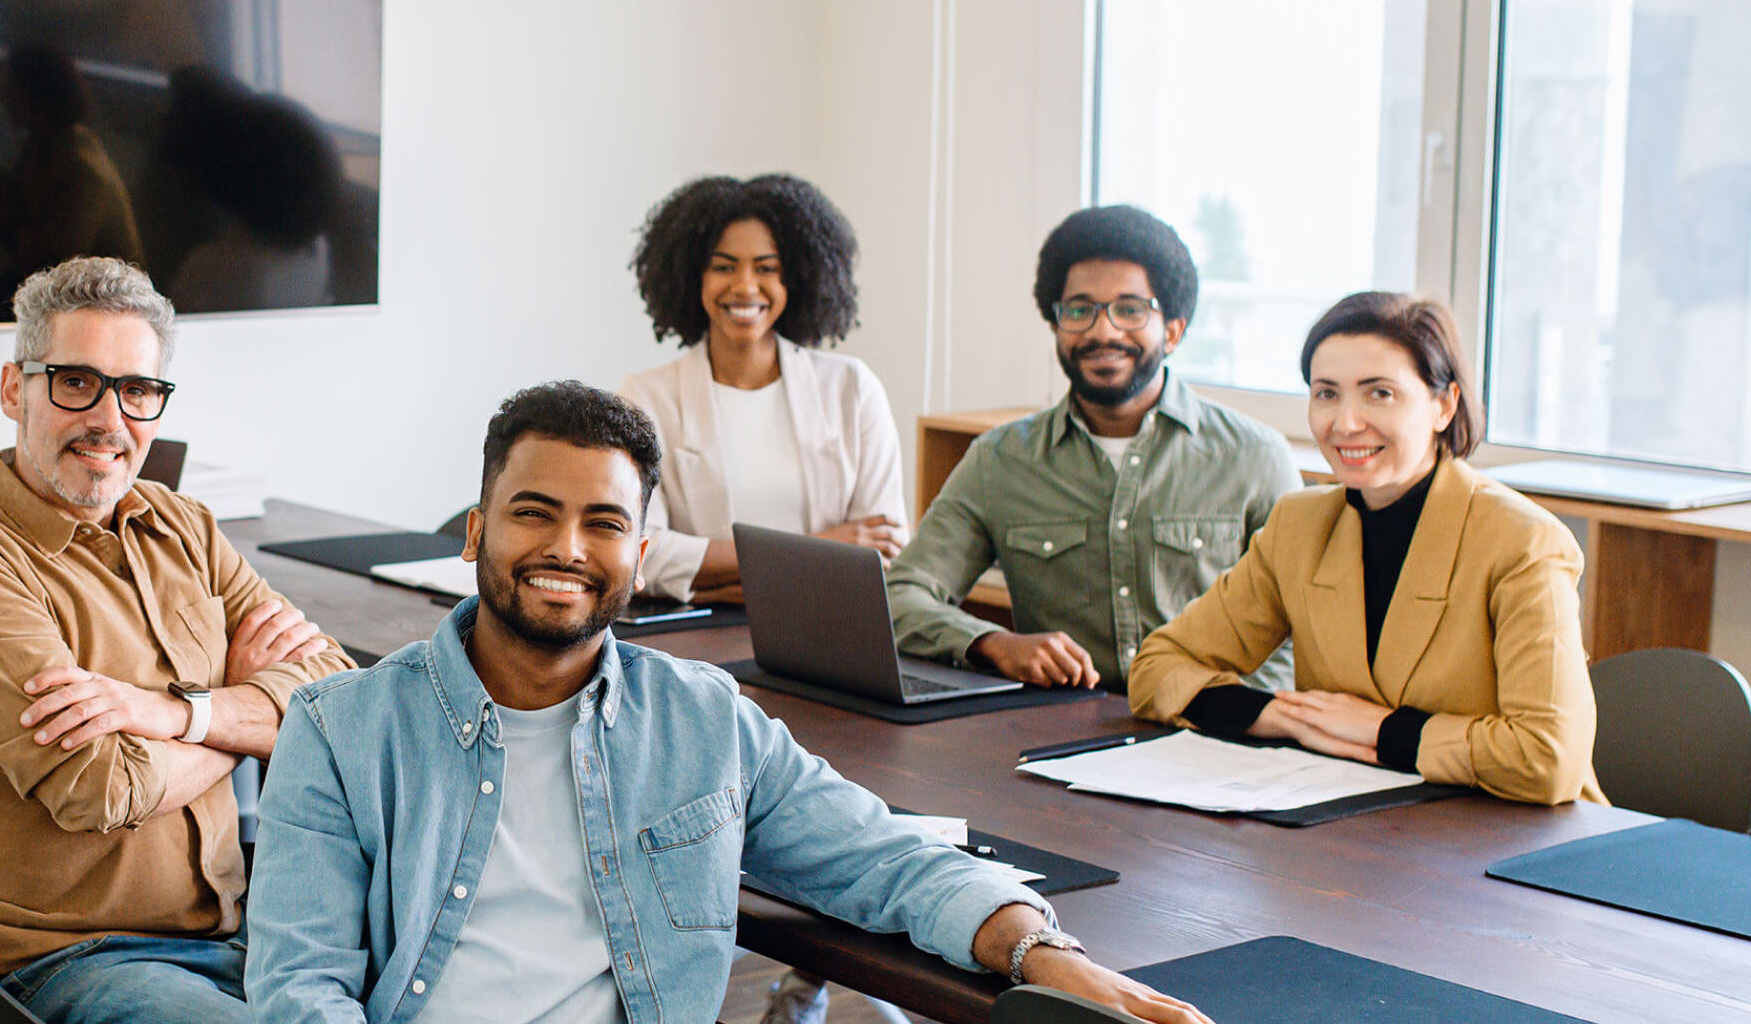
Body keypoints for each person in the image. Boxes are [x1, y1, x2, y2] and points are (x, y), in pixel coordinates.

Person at [245, 381, 1212, 1024]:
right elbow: (301, 990)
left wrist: (1040, 948)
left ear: (639, 553)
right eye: (534, 511)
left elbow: (883, 859)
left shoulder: (705, 721)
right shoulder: (342, 730)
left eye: (606, 523)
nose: (568, 548)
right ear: (475, 529)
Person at [0, 256, 355, 1024]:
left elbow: (337, 699)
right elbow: (100, 790)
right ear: (15, 390)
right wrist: (245, 724)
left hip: (250, 930)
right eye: (76, 382)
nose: (110, 419)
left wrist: (169, 714)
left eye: (138, 391)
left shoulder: (185, 525)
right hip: (66, 961)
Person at [1129, 293, 1603, 806]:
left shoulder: (1523, 541)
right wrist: (1293, 718)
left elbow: (1548, 758)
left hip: (1516, 842)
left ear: (1444, 405)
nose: (1346, 422)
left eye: (1379, 393)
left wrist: (1382, 730)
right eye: (1326, 393)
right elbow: (1159, 667)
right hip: (1359, 825)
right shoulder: (1300, 524)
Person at [885, 206, 1303, 690]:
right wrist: (993, 644)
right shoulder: (999, 460)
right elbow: (903, 596)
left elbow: (1304, 630)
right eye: (1079, 310)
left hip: (1215, 736)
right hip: (1059, 733)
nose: (1103, 332)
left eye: (1130, 309)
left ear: (1173, 330)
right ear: (1056, 325)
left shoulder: (1254, 457)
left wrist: (1233, 713)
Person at [616, 174, 912, 606]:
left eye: (767, 268)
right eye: (723, 266)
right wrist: (824, 545)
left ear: (798, 278)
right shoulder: (645, 398)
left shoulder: (852, 388)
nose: (745, 286)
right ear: (691, 275)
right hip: (697, 639)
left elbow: (883, 545)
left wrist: (721, 579)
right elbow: (640, 552)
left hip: (833, 620)